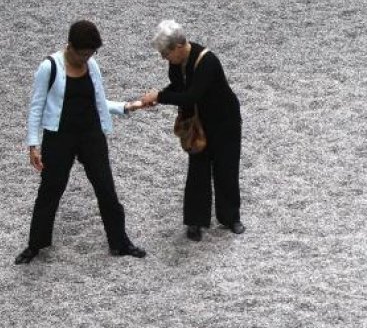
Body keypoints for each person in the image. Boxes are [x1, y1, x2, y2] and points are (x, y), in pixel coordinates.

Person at [15, 20, 147, 265]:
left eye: (91, 53)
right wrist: (33, 145)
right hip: (59, 137)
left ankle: (120, 242)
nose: (87, 58)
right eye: (84, 53)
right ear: (70, 46)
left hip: (91, 136)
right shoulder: (49, 67)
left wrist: (126, 107)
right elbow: (36, 107)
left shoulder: (92, 65)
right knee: (50, 190)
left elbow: (98, 101)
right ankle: (36, 244)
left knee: (106, 188)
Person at [141, 19, 244, 242]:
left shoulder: (208, 62)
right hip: (200, 122)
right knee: (197, 170)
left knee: (226, 168)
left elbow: (191, 95)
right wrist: (160, 96)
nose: (163, 58)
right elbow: (179, 88)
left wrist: (159, 96)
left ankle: (230, 217)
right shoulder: (176, 63)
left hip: (224, 122)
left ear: (178, 47)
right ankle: (195, 221)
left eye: (165, 53)